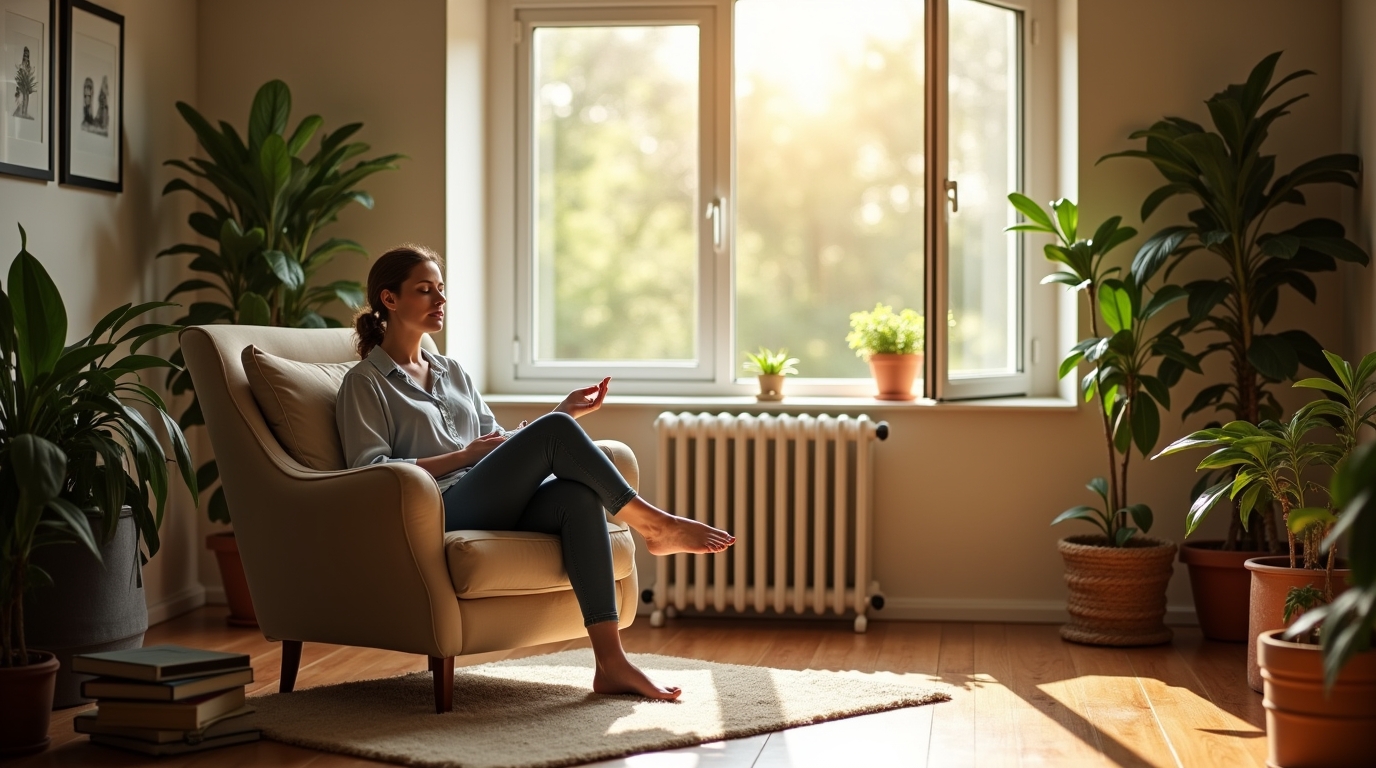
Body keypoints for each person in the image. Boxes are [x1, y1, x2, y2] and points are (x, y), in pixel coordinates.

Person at [336, 244, 735, 701]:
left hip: (486, 493)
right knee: (556, 435)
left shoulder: (453, 373)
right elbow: (370, 472)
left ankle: (611, 662)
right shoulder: (364, 382)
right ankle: (653, 524)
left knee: (576, 497)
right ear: (389, 300)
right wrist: (463, 457)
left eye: (441, 290)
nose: (440, 301)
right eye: (425, 291)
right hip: (439, 506)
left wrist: (559, 415)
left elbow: (497, 443)